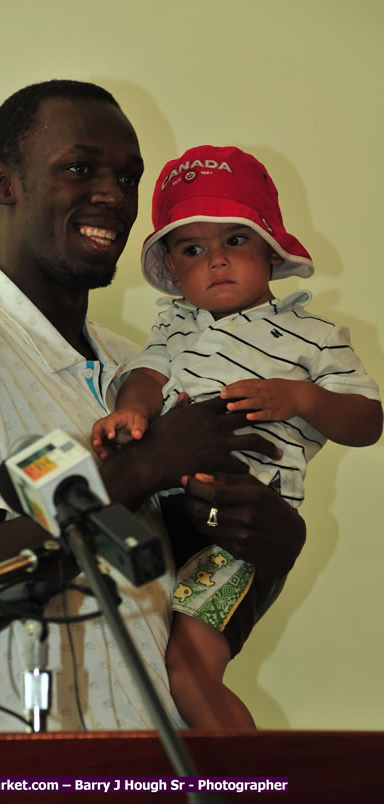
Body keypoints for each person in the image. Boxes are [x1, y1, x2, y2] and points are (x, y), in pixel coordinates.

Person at [0, 82, 306, 735]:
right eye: (80, 169)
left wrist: (265, 536)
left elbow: (167, 602)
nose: (114, 195)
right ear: (4, 183)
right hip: (15, 773)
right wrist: (153, 460)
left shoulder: (140, 366)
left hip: (153, 763)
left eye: (128, 178)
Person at [91, 144, 383, 728]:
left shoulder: (313, 335)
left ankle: (253, 785)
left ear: (272, 249)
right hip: (160, 513)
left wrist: (302, 398)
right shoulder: (174, 324)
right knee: (138, 650)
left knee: (190, 668)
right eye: (193, 249)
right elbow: (146, 375)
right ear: (172, 270)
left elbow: (368, 421)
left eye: (236, 240)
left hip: (242, 532)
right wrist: (133, 412)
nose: (216, 260)